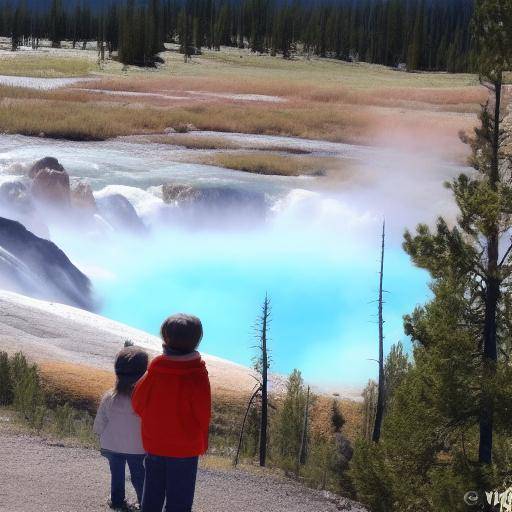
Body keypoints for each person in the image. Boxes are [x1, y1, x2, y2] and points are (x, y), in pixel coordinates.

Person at [132, 314, 211, 512]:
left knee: (151, 496)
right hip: (186, 449)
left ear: (165, 338)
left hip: (155, 445)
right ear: (197, 340)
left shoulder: (155, 371)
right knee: (179, 502)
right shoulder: (198, 375)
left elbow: (137, 403)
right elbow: (203, 415)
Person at [94, 346, 149, 511]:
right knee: (139, 476)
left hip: (112, 445)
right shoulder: (146, 399)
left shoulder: (109, 396)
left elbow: (101, 420)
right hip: (137, 449)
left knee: (116, 474)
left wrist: (98, 433)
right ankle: (144, 503)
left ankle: (117, 501)